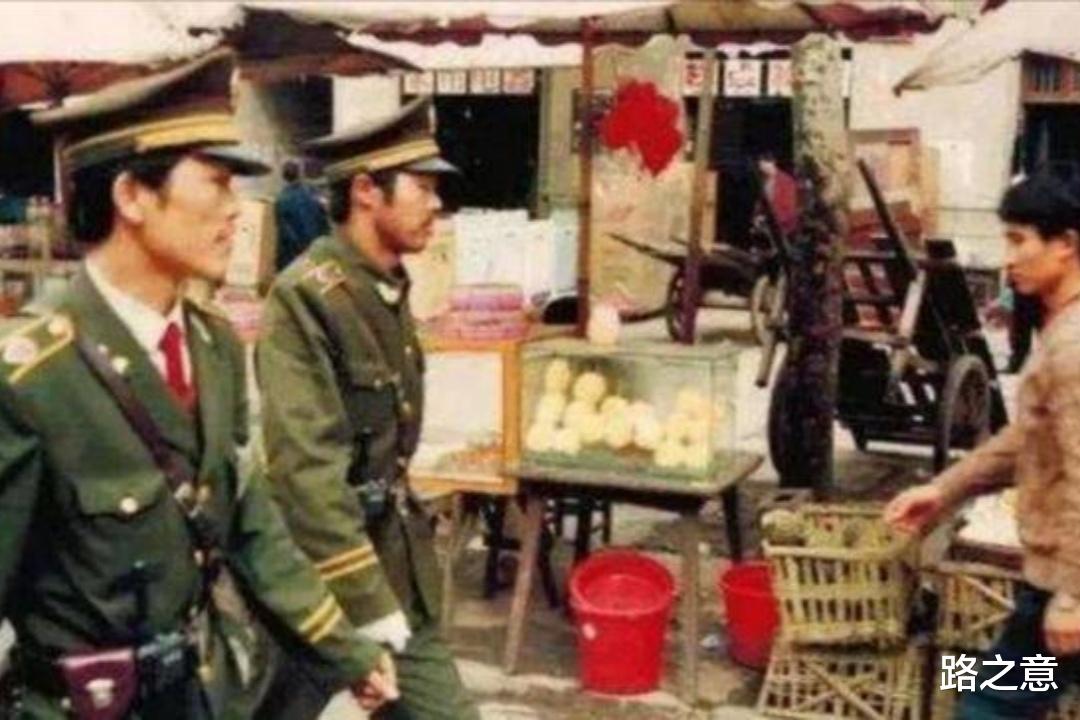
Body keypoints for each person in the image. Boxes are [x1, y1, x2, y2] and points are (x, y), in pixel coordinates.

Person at [1, 50, 398, 719]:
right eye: (215, 182)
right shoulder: (33, 378)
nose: (237, 209)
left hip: (197, 695)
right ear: (132, 196)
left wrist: (345, 649)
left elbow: (249, 523)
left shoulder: (213, 345)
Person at [256, 97, 481, 720]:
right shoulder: (305, 298)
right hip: (317, 579)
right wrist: (368, 602)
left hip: (391, 560)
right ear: (364, 191)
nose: (436, 203)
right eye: (422, 187)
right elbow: (305, 472)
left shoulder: (385, 287)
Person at [884, 173, 1080, 719]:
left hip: (1060, 582)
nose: (1007, 258)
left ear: (1066, 244)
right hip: (1051, 582)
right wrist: (946, 489)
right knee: (986, 682)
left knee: (987, 704)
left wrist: (1072, 595)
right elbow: (1031, 436)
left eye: (1019, 240)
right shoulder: (1061, 328)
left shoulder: (1073, 345)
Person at [273, 159, 328, 273]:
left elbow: (284, 231)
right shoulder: (313, 193)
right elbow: (324, 219)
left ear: (283, 176)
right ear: (299, 174)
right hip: (317, 250)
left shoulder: (281, 200)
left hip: (294, 255)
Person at [757, 152, 799, 236]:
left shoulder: (786, 181)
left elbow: (789, 208)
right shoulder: (764, 180)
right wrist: (758, 216)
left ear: (772, 163)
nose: (762, 169)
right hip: (769, 227)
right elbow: (762, 202)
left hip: (785, 228)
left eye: (764, 166)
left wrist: (769, 219)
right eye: (761, 167)